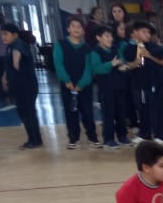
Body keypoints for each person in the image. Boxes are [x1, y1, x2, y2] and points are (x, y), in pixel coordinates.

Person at [55, 15, 100, 149]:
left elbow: (89, 69)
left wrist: (81, 84)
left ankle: (92, 137)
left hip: (84, 86)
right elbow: (58, 64)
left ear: (83, 30)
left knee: (87, 112)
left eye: (79, 27)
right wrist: (67, 81)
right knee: (71, 112)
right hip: (67, 86)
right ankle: (73, 138)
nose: (76, 29)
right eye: (73, 26)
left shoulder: (87, 48)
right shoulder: (60, 45)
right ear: (68, 29)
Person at [122, 19, 163, 142]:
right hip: (138, 84)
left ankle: (160, 135)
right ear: (135, 33)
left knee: (156, 109)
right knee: (142, 108)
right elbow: (127, 65)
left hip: (155, 83)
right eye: (144, 32)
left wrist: (150, 56)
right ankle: (144, 133)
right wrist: (134, 63)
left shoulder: (155, 47)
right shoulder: (129, 48)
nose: (147, 35)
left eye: (148, 32)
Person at [0, 23, 41, 148]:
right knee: (23, 112)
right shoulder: (9, 46)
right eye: (2, 34)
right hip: (18, 86)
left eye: (6, 34)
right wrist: (4, 78)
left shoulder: (18, 45)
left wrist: (15, 65)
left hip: (26, 86)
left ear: (15, 35)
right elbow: (9, 66)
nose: (3, 37)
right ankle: (32, 138)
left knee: (28, 112)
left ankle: (35, 140)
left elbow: (16, 61)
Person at [89, 25, 128, 148]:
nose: (110, 38)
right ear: (98, 37)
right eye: (107, 36)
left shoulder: (115, 48)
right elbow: (97, 69)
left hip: (119, 86)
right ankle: (108, 139)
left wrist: (123, 66)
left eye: (111, 36)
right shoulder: (95, 52)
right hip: (106, 89)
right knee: (108, 114)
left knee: (121, 113)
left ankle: (122, 136)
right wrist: (111, 64)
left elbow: (122, 60)